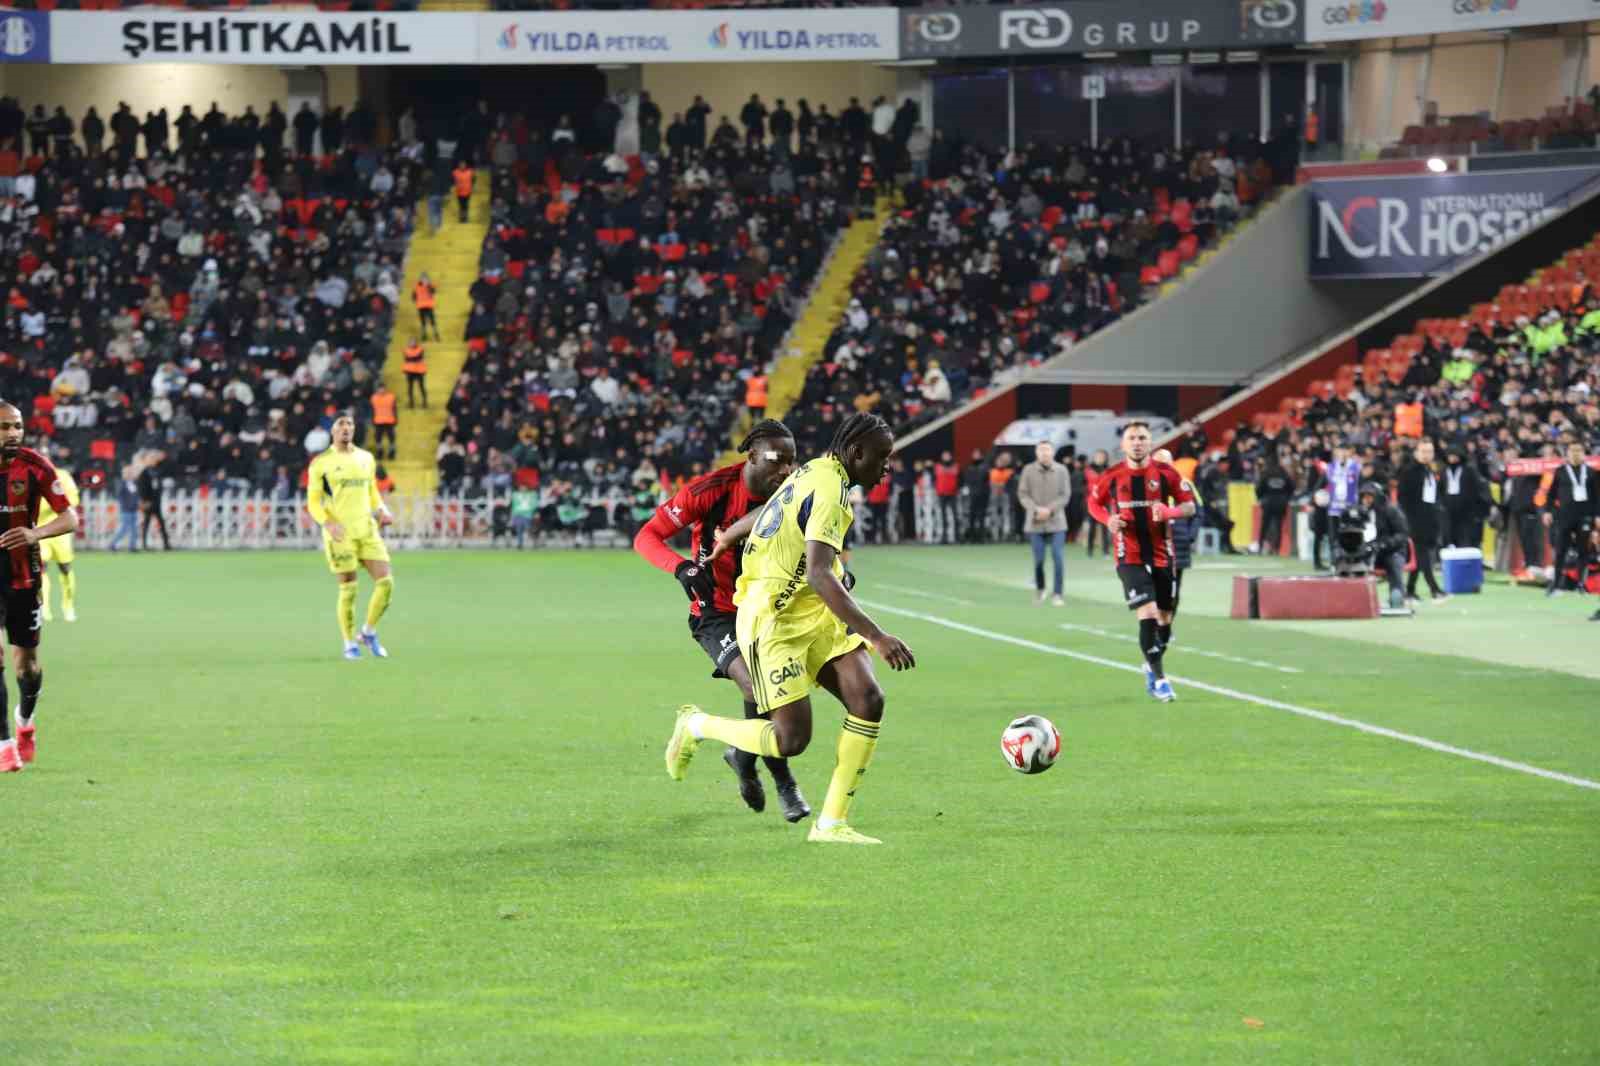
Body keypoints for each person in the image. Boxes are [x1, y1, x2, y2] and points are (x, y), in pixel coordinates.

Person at [664, 414, 915, 845]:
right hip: (772, 620)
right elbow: (820, 573)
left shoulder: (813, 470)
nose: (887, 467)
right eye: (882, 457)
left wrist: (730, 537)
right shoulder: (831, 490)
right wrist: (877, 636)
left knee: (867, 697)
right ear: (856, 454)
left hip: (812, 612)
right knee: (790, 739)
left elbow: (770, 508)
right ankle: (697, 725)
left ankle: (831, 823)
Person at [634, 420, 809, 822]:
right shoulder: (710, 491)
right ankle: (784, 782)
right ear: (750, 457)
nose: (785, 470)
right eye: (777, 461)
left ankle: (743, 760)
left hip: (767, 607)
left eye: (791, 462)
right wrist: (681, 568)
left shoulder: (793, 491)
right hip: (715, 611)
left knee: (772, 692)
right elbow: (647, 536)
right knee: (758, 684)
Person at [1086, 422, 1195, 703]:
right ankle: (1160, 680)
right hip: (1128, 555)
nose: (1137, 442)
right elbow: (1093, 503)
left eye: (1142, 438)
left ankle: (1150, 662)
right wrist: (1107, 520)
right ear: (1123, 444)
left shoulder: (1166, 473)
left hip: (1162, 554)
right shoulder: (1112, 475)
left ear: (1151, 443)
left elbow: (1189, 505)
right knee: (1147, 614)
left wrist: (1169, 511)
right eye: (1131, 438)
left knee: (1165, 619)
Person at [0, 402, 80, 772]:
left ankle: (25, 723)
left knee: (26, 665)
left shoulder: (34, 465)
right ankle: (4, 746)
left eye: (16, 426)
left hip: (24, 577)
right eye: (4, 427)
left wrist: (35, 533)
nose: (13, 433)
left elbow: (69, 516)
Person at [306, 413, 396, 660]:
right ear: (332, 431)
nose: (346, 428)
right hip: (340, 533)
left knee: (386, 583)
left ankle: (368, 632)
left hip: (366, 529)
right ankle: (349, 643)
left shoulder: (366, 458)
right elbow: (313, 502)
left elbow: (372, 491)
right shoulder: (321, 463)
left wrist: (382, 511)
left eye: (349, 424)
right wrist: (328, 523)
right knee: (349, 589)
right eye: (340, 424)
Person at [1152, 449, 1197, 643]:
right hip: (1154, 542)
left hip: (1178, 542)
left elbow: (1198, 512)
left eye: (1165, 463)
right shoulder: (1146, 486)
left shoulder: (1185, 484)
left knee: (1173, 590)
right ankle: (1155, 626)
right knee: (1153, 587)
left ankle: (1167, 626)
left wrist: (1189, 535)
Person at [1018, 441, 1069, 605]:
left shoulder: (1061, 470)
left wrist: (1049, 510)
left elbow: (1065, 495)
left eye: (1047, 450)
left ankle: (1058, 593)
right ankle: (1040, 589)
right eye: (1041, 450)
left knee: (1058, 557)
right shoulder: (1028, 470)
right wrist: (1035, 510)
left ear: (1053, 452)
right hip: (1035, 522)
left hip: (1057, 522)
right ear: (1036, 453)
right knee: (1039, 560)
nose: (1044, 453)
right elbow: (1023, 494)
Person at [1396, 440, 1447, 602]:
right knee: (1423, 555)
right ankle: (1434, 589)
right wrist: (1408, 520)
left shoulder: (1432, 470)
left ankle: (1409, 590)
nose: (1427, 455)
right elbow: (1402, 498)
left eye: (1430, 452)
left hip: (1431, 518)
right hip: (1415, 520)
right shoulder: (1409, 471)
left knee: (1419, 557)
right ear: (1416, 453)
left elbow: (1435, 495)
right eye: (1424, 451)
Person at [1543, 441, 1595, 595]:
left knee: (1583, 551)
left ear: (1584, 453)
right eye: (1572, 451)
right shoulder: (1560, 471)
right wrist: (1547, 511)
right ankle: (1556, 584)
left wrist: (1597, 515)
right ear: (1567, 453)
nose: (1575, 453)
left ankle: (1581, 584)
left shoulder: (1592, 472)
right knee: (1560, 550)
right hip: (1564, 517)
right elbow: (1551, 494)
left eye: (1579, 450)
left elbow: (1597, 497)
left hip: (1585, 516)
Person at [37, 454, 81, 623]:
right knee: (41, 570)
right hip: (40, 530)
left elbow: (74, 499)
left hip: (60, 530)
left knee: (65, 568)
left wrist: (56, 504)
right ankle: (44, 608)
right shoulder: (32, 475)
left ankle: (68, 606)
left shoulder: (62, 476)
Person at [1359, 481, 1412, 610]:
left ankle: (1398, 596)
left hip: (1392, 550)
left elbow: (1402, 534)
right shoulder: (1360, 512)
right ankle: (1358, 599)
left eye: (1369, 496)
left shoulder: (1391, 510)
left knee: (1394, 561)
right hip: (1368, 551)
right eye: (1364, 497)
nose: (1366, 500)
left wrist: (1385, 544)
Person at [1254, 451, 1293, 555]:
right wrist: (1286, 498)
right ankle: (1276, 548)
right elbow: (1291, 487)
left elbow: (1258, 489)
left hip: (1268, 502)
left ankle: (1260, 547)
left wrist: (1260, 498)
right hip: (1281, 502)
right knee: (1278, 526)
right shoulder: (1283, 473)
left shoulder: (1266, 473)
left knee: (1264, 526)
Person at [1083, 450, 1111, 557]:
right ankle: (1090, 550)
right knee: (1092, 527)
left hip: (1106, 502)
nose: (1099, 458)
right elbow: (1083, 485)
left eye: (1102, 456)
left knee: (1106, 526)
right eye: (1097, 456)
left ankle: (1106, 551)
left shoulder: (1109, 470)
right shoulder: (1088, 470)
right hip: (1092, 502)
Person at [138, 460, 171, 551]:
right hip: (148, 502)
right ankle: (144, 544)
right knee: (146, 524)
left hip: (156, 503)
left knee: (161, 524)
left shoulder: (157, 472)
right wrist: (144, 500)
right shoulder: (144, 473)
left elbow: (159, 487)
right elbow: (142, 488)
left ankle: (166, 544)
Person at [110, 466, 141, 552]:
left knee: (134, 529)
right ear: (124, 474)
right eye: (128, 473)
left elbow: (136, 495)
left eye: (131, 472)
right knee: (124, 529)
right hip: (126, 510)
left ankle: (132, 546)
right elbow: (119, 496)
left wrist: (137, 503)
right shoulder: (121, 483)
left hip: (134, 509)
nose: (130, 474)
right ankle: (112, 544)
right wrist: (124, 505)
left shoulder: (134, 483)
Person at [369, 382, 398, 461]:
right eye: (380, 388)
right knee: (378, 438)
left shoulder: (391, 397)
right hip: (378, 421)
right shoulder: (373, 398)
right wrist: (372, 420)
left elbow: (394, 409)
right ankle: (379, 452)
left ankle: (391, 452)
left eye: (382, 388)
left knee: (391, 438)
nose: (381, 390)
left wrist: (396, 419)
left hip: (389, 420)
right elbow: (372, 410)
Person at [402, 336, 428, 410]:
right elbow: (408, 358)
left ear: (416, 342)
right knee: (410, 387)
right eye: (411, 342)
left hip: (419, 370)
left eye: (413, 341)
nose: (412, 343)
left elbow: (418, 357)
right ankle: (411, 402)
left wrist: (412, 359)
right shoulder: (406, 350)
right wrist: (413, 359)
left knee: (421, 387)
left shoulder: (420, 349)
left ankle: (424, 402)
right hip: (410, 371)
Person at [413, 273, 440, 341]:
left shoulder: (430, 285)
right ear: (420, 279)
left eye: (425, 279)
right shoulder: (417, 286)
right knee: (423, 321)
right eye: (422, 278)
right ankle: (424, 334)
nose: (424, 280)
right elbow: (414, 295)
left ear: (428, 279)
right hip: (421, 306)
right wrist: (416, 300)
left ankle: (436, 334)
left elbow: (433, 292)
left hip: (429, 305)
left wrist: (428, 286)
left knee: (432, 320)